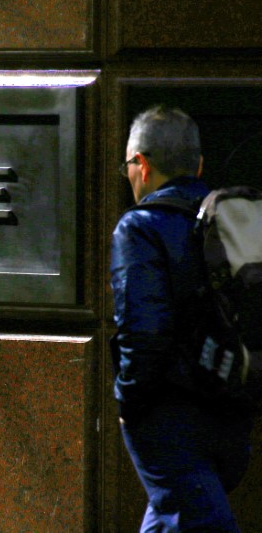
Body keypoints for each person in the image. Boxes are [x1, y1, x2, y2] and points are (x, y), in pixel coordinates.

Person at [110, 105, 255, 532]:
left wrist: (128, 402)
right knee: (170, 518)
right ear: (199, 165)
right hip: (233, 405)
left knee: (198, 521)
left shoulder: (140, 227)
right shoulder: (230, 220)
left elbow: (145, 330)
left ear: (141, 164)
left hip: (169, 414)